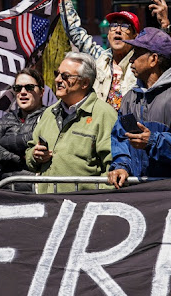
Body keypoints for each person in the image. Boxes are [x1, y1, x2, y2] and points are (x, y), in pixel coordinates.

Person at [54, 0, 171, 111]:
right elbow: (74, 30)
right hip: (100, 128)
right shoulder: (99, 58)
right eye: (114, 25)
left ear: (135, 36)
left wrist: (165, 25)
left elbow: (170, 57)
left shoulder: (142, 63)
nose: (117, 29)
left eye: (125, 26)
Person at [108, 28, 171, 188]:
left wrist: (154, 141)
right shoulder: (130, 98)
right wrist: (122, 166)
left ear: (153, 59)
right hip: (138, 196)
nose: (131, 60)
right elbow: (121, 138)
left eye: (136, 54)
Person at [25, 52, 118, 193]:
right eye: (57, 74)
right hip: (48, 206)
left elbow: (114, 167)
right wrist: (34, 156)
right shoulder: (49, 113)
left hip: (83, 209)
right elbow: (29, 152)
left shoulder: (104, 115)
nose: (57, 80)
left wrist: (95, 198)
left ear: (85, 82)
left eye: (65, 76)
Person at [0, 68, 47, 187]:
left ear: (41, 92)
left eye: (29, 87)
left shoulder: (50, 117)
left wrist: (3, 142)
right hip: (6, 190)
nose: (23, 92)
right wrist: (19, 159)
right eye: (18, 88)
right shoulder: (6, 119)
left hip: (36, 190)